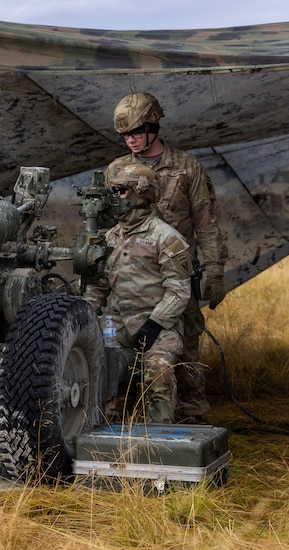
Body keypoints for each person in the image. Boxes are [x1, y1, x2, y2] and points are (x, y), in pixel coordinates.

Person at [106, 92, 226, 423]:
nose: (130, 139)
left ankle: (192, 423)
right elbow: (107, 226)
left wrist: (214, 272)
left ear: (153, 126)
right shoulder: (117, 170)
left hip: (176, 277)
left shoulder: (187, 167)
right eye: (125, 135)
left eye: (136, 131)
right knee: (120, 357)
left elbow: (206, 224)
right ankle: (119, 427)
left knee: (185, 352)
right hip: (133, 278)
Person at [83, 164, 193, 424]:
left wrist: (154, 325)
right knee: (105, 373)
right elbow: (98, 288)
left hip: (158, 326)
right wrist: (84, 318)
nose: (114, 197)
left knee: (158, 373)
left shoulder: (165, 237)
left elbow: (178, 290)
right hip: (119, 327)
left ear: (141, 194)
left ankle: (158, 442)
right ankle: (108, 442)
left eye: (120, 191)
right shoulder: (109, 238)